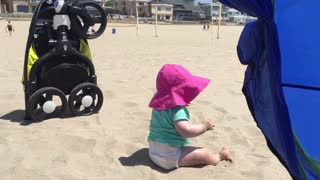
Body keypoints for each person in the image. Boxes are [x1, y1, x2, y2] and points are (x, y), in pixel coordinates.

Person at [148, 64, 231, 170]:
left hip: (153, 153)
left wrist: (178, 102)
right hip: (169, 158)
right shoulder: (178, 111)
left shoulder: (158, 106)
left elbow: (167, 110)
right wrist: (204, 127)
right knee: (204, 154)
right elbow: (186, 131)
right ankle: (219, 156)